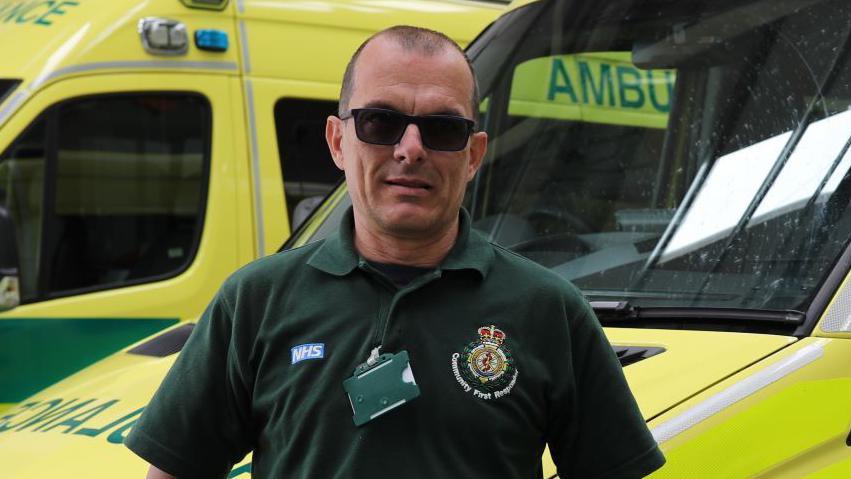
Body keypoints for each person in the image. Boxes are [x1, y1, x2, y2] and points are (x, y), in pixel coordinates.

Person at [125, 25, 665, 478]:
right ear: (339, 141)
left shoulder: (549, 310)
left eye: (443, 129)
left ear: (473, 154)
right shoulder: (255, 301)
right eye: (380, 123)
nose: (411, 149)